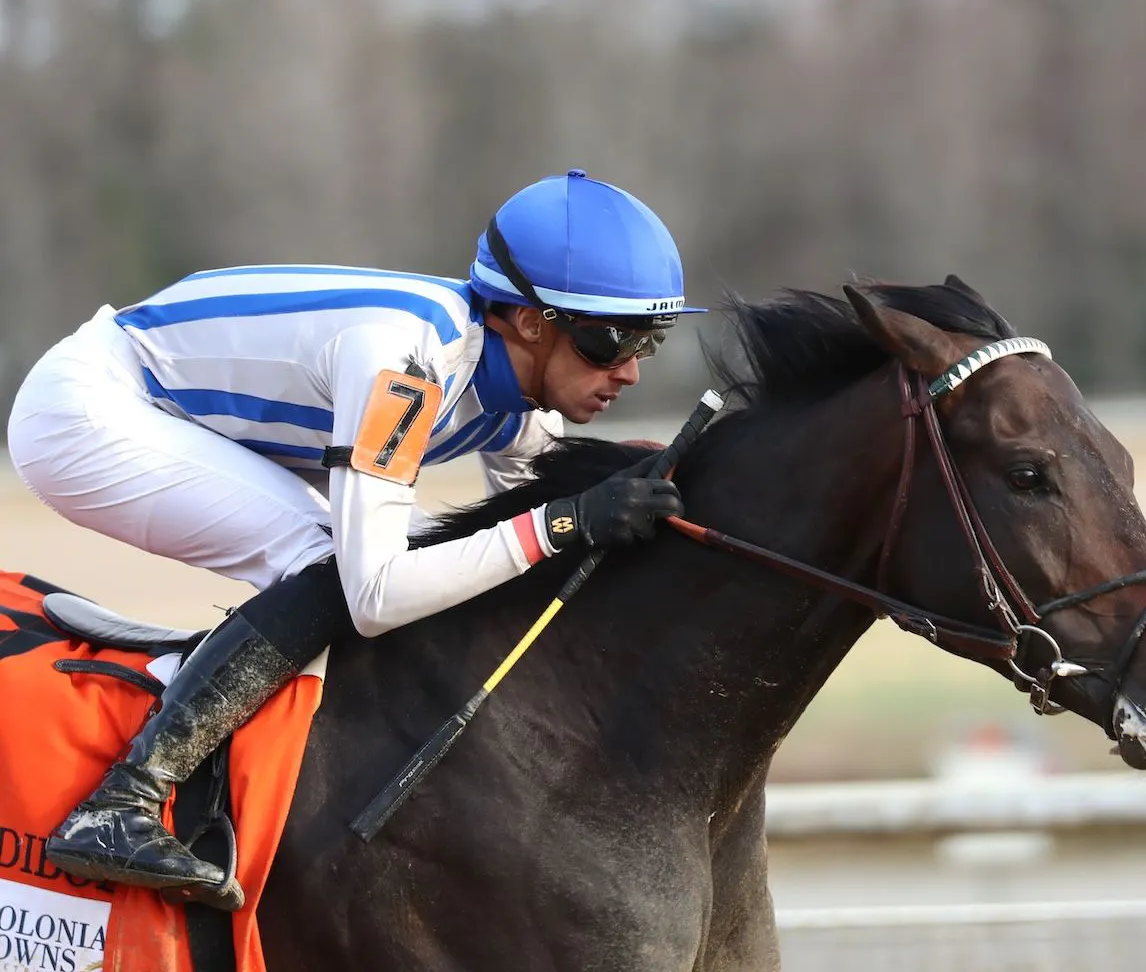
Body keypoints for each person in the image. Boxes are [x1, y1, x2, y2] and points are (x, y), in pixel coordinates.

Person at [6, 168, 700, 911]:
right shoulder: (406, 365)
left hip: (170, 408)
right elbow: (376, 595)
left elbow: (524, 551)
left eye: (649, 342)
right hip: (88, 409)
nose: (627, 370)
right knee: (333, 563)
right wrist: (566, 520)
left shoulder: (520, 401)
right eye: (607, 340)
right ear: (528, 321)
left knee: (380, 555)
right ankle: (124, 801)